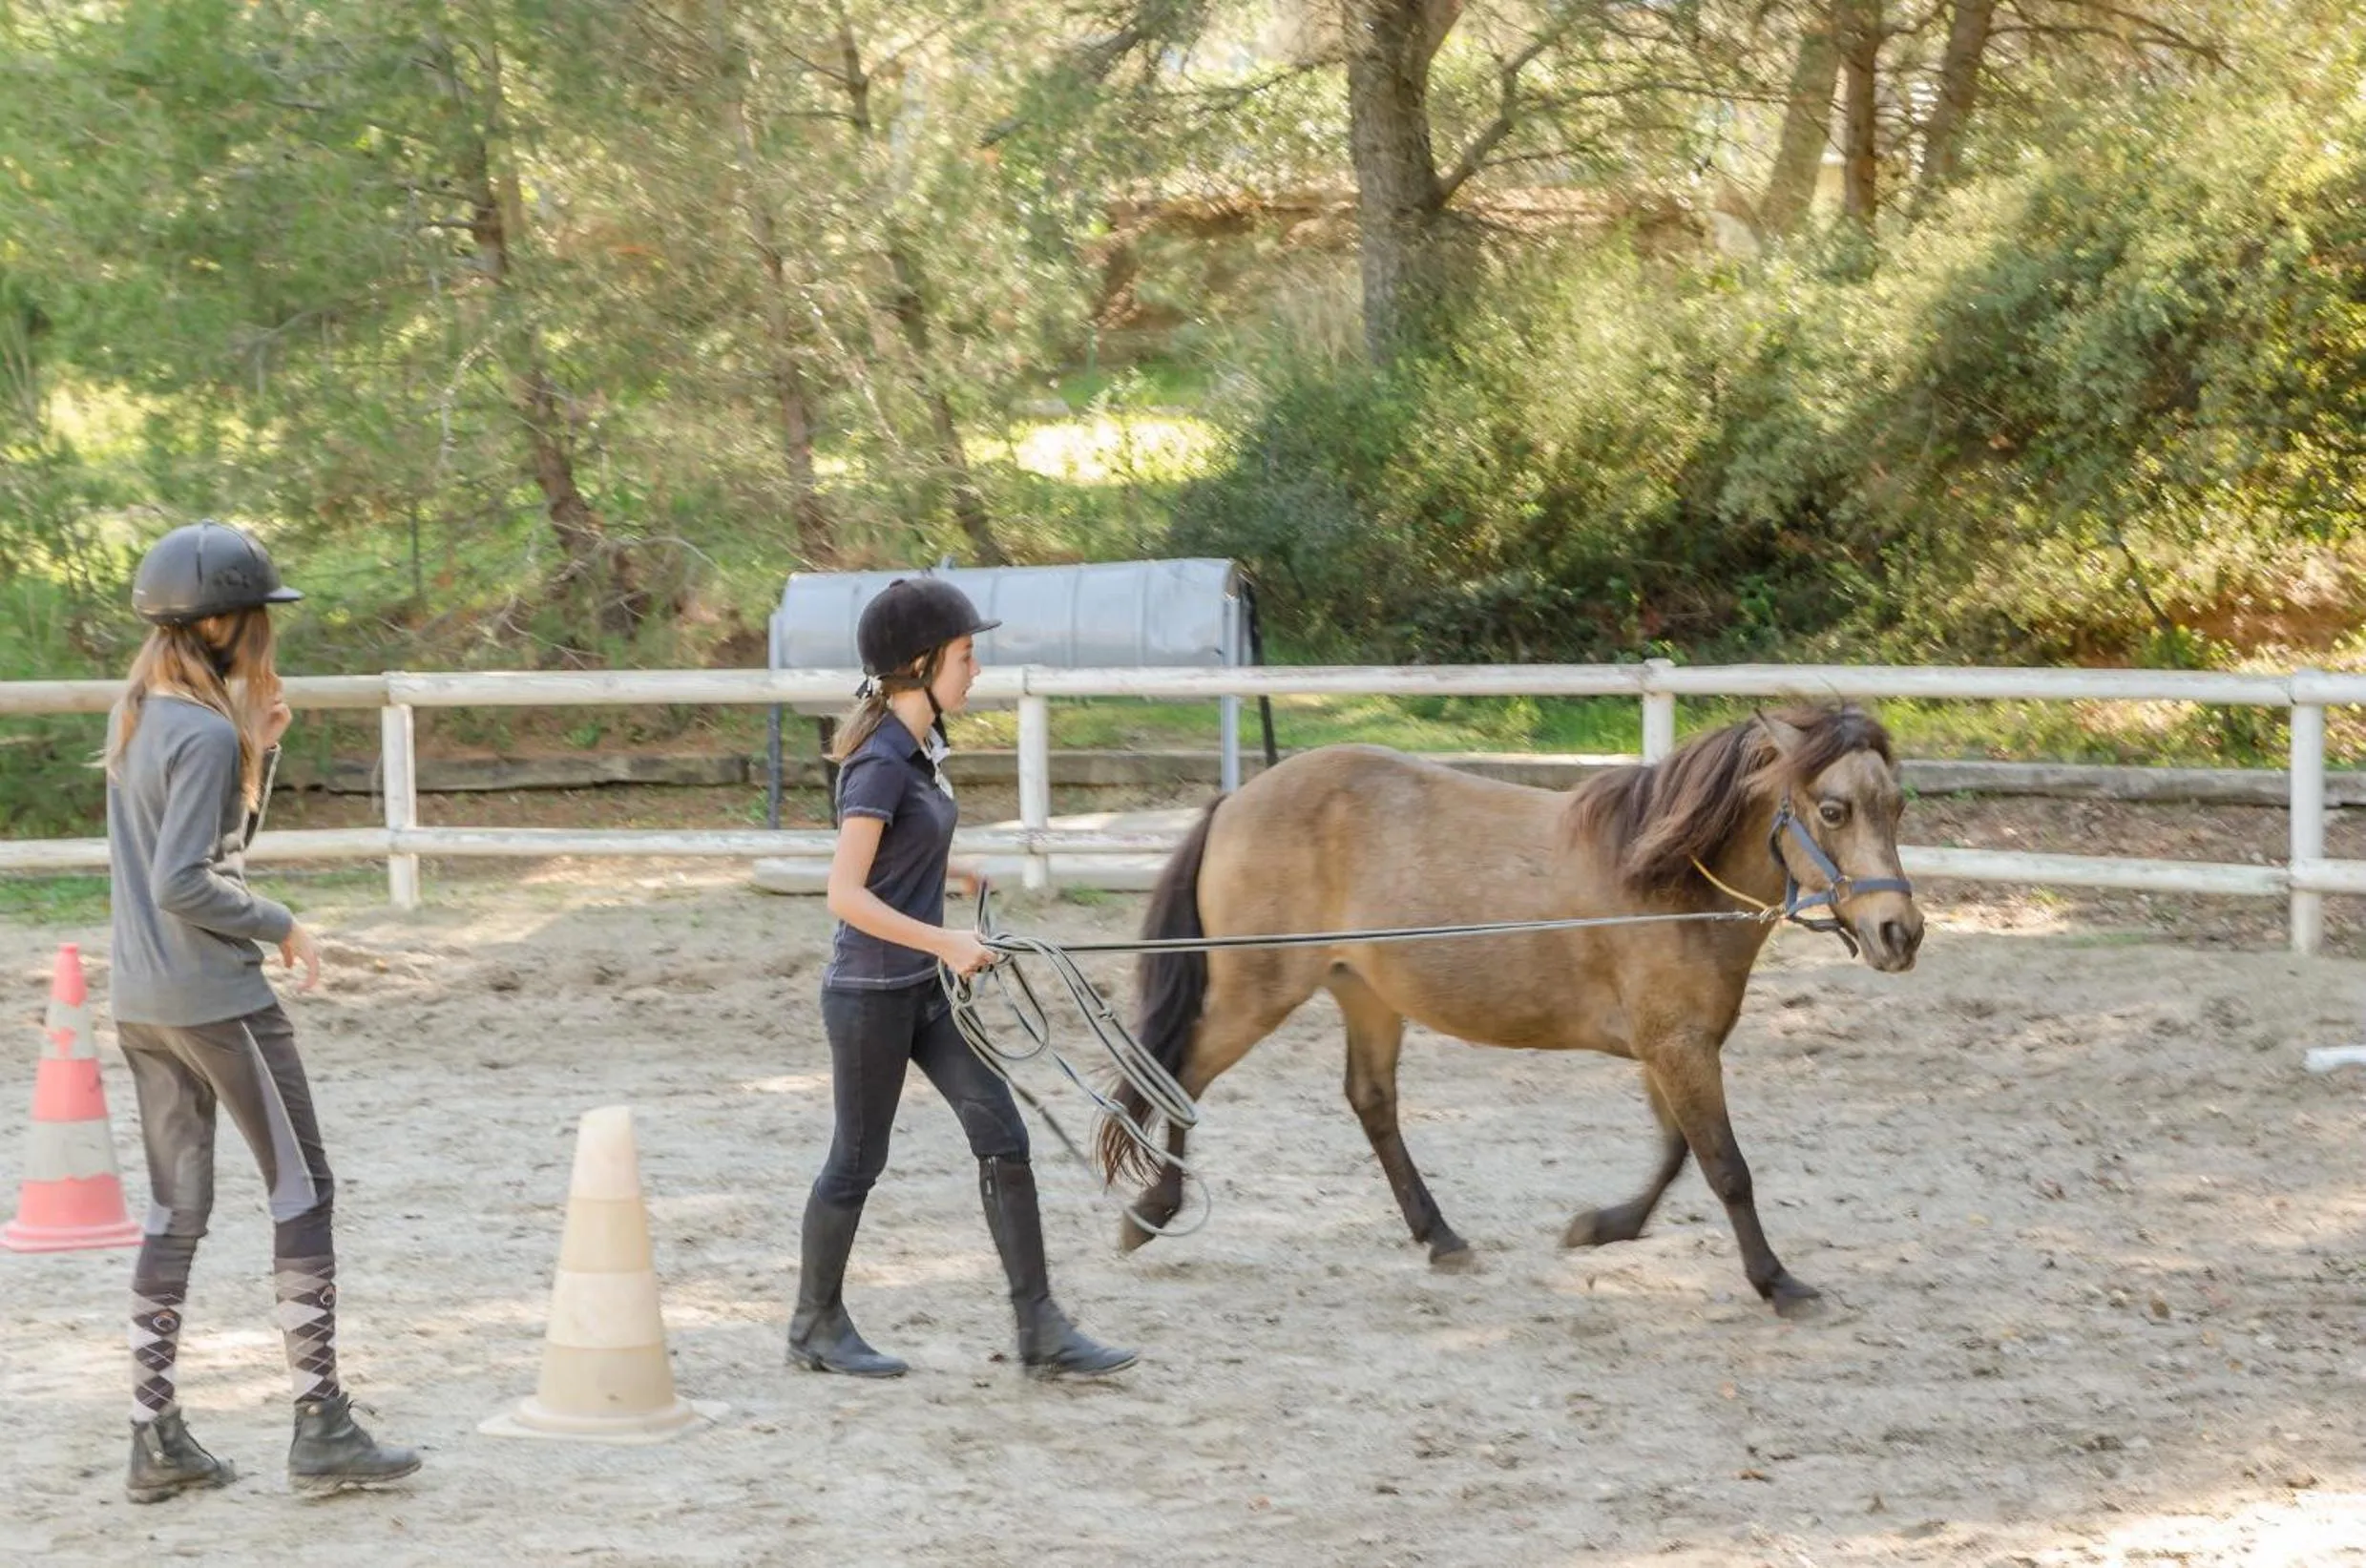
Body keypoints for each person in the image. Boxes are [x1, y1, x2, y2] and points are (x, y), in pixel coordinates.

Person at [104, 520, 419, 1502]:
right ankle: (320, 1420)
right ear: (226, 623)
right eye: (261, 618)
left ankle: (154, 1432)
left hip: (142, 1003)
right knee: (302, 1189)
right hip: (218, 998)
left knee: (175, 1208)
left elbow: (209, 846)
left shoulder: (144, 715)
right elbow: (185, 880)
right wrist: (284, 923)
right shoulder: (199, 729)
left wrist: (261, 750)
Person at [790, 575, 1136, 1381]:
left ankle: (1040, 1328)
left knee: (1001, 1133)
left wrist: (955, 872)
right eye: (966, 654)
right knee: (857, 1159)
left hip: (926, 990)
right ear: (920, 664)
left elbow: (896, 857)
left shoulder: (919, 750)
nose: (976, 668)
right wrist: (946, 942)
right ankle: (814, 1322)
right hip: (873, 995)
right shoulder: (877, 763)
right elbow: (844, 893)